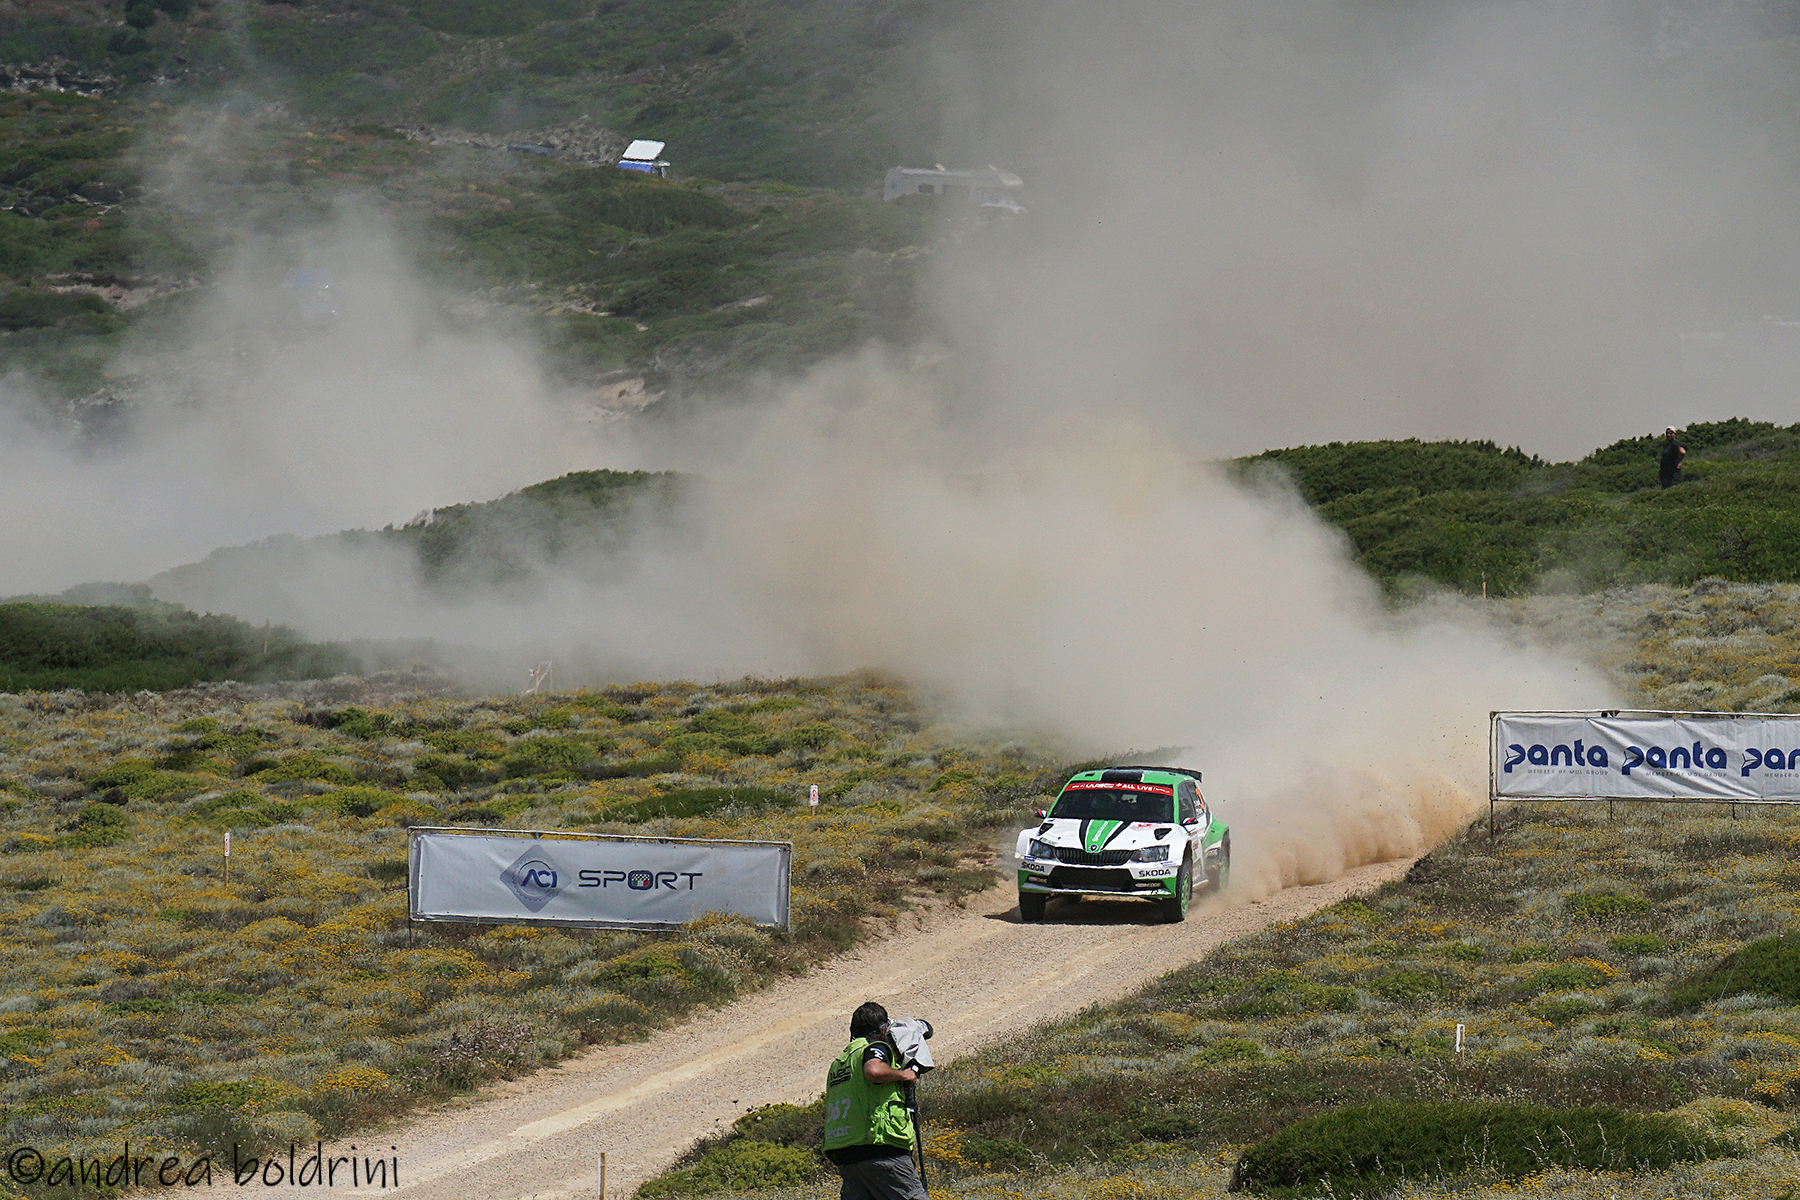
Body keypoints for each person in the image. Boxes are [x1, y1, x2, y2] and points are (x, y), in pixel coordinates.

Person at [822, 1001, 927, 1200]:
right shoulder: (874, 1047)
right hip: (880, 1148)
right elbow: (873, 1070)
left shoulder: (840, 1062)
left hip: (845, 1152)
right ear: (881, 1030)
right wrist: (904, 1075)